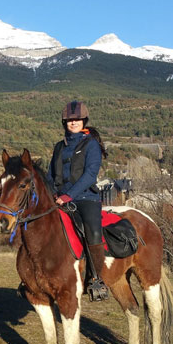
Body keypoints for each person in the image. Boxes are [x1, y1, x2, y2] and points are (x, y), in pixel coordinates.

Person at [47, 100, 108, 276]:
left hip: (86, 198)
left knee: (93, 231)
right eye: (69, 120)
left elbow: (90, 175)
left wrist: (68, 196)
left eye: (78, 119)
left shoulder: (91, 144)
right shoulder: (59, 146)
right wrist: (51, 194)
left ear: (84, 121)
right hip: (58, 199)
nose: (73, 122)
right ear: (64, 123)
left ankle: (97, 278)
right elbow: (50, 175)